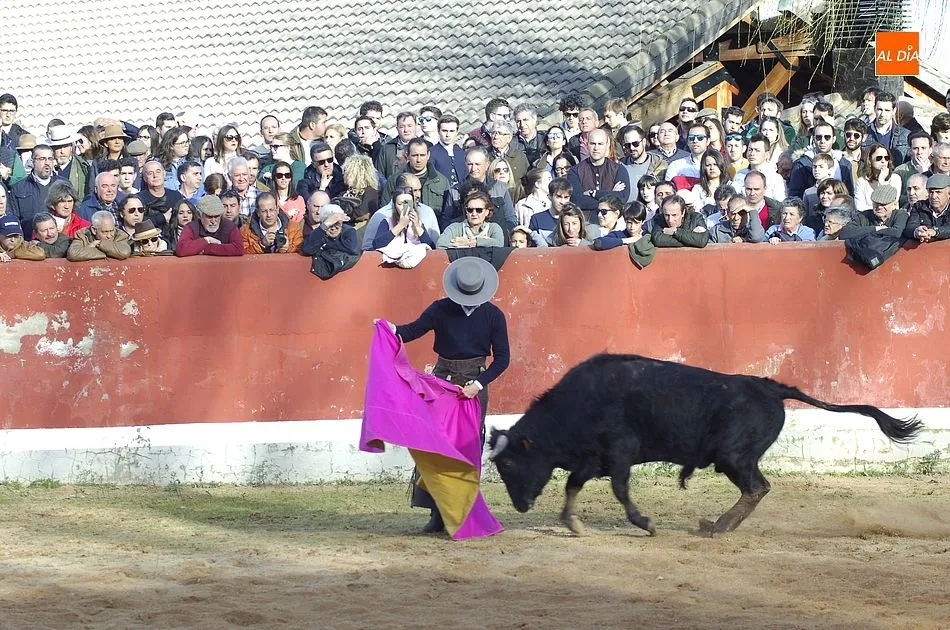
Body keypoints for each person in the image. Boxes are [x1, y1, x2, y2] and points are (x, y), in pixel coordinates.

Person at [378, 255, 510, 533]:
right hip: (442, 383)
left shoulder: (493, 316)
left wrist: (479, 384)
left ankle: (461, 513)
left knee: (465, 448)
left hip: (473, 386)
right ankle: (437, 514)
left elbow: (502, 359)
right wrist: (387, 329)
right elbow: (411, 331)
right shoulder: (440, 309)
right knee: (433, 444)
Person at [175, 195, 244, 256]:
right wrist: (206, 240)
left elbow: (238, 248)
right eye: (209, 217)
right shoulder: (191, 227)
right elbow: (181, 249)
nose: (213, 221)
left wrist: (206, 248)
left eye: (216, 216)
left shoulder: (229, 226)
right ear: (199, 215)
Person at [372, 186, 436, 250]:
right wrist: (400, 225)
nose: (404, 207)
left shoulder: (419, 223)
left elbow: (431, 247)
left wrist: (417, 226)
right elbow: (377, 245)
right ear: (395, 205)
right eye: (400, 204)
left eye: (408, 203)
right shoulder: (387, 222)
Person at [437, 189, 505, 248]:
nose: (474, 214)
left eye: (479, 210)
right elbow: (440, 244)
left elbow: (499, 244)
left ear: (487, 212)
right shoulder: (454, 228)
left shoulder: (494, 227)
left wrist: (470, 242)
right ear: (466, 211)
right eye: (470, 210)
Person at [66, 210, 132, 261]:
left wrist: (99, 244)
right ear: (94, 230)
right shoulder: (82, 234)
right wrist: (112, 253)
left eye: (111, 231)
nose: (109, 235)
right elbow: (73, 254)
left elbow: (124, 252)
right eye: (105, 232)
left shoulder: (120, 234)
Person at [854, 144, 901, 212]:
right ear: (869, 160)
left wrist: (882, 182)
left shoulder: (895, 179)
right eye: (879, 158)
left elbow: (891, 204)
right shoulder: (861, 182)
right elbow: (860, 208)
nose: (883, 161)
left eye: (886, 158)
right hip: (868, 220)